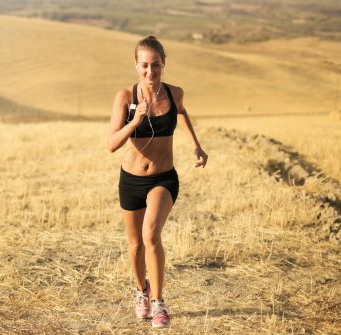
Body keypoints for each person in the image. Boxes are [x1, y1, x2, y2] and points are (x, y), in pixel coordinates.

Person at [106, 35, 208, 328]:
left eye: (157, 65)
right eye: (145, 66)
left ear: (164, 64)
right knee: (136, 245)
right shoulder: (125, 97)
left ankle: (159, 302)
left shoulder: (175, 93)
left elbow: (183, 113)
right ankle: (141, 292)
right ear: (136, 66)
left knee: (151, 235)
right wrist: (134, 122)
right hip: (131, 181)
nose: (151, 72)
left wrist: (195, 146)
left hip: (164, 178)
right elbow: (111, 144)